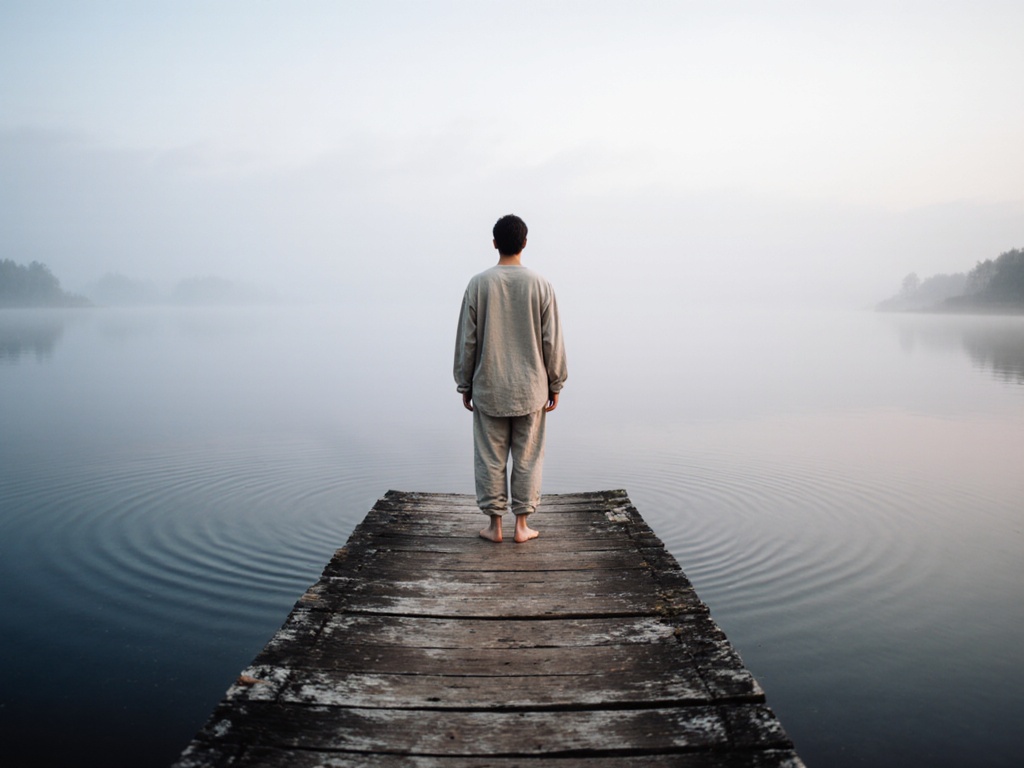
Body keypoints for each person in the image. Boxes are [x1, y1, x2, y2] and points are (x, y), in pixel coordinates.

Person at [454, 214, 567, 543]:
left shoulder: (479, 284)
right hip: (531, 387)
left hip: (489, 385)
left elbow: (468, 340)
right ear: (525, 243)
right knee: (528, 456)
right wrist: (556, 383)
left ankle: (495, 527)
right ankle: (521, 526)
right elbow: (552, 340)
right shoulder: (540, 284)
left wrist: (464, 382)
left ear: (494, 243)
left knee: (490, 457)